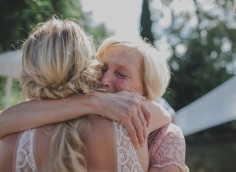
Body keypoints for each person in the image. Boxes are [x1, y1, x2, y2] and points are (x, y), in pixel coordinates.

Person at [0, 18, 173, 171]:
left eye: (121, 74)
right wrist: (96, 101)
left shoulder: (9, 144)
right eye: (102, 68)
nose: (104, 79)